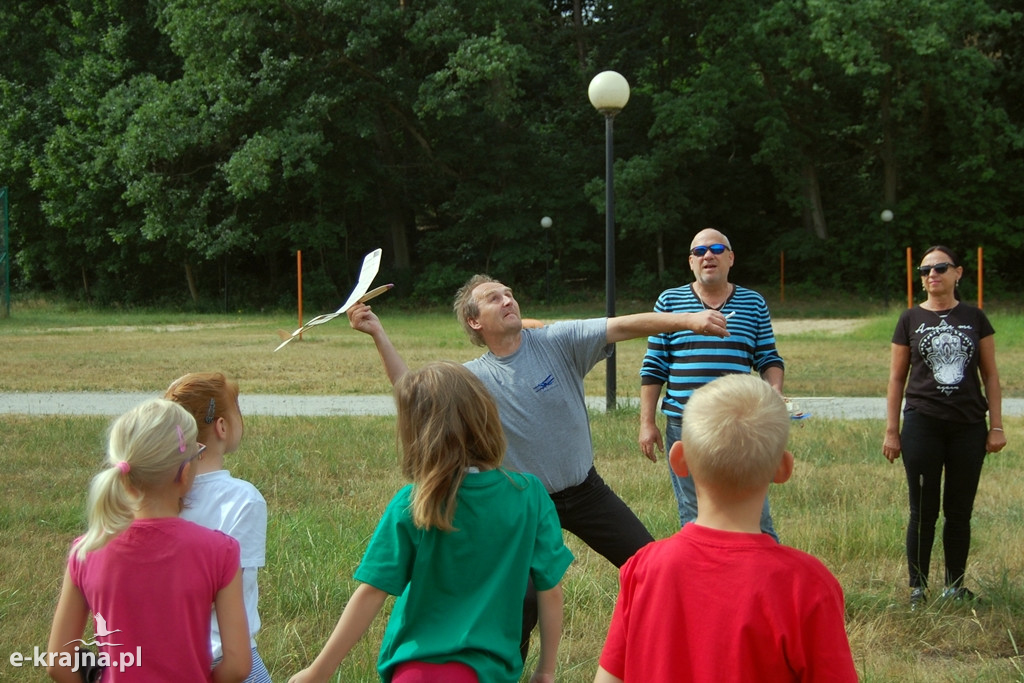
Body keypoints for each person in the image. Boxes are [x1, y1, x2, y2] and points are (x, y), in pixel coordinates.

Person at [347, 273, 728, 654]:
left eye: (509, 293)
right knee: (523, 602)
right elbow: (412, 394)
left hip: (586, 492)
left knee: (651, 565)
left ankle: (690, 647)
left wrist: (689, 320)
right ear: (474, 321)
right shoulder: (472, 377)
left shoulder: (555, 341)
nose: (508, 300)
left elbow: (623, 325)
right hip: (523, 505)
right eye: (494, 298)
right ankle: (508, 668)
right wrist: (378, 333)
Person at [289, 361, 574, 683]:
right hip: (488, 672)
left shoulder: (412, 502)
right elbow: (550, 590)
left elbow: (371, 593)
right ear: (485, 414)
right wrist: (546, 670)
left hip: (413, 671)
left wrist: (318, 671)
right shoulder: (529, 495)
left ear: (416, 432)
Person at [595, 374, 858, 683]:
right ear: (783, 468)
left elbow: (608, 678)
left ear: (678, 459)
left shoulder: (643, 568)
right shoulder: (808, 585)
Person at [46, 399, 251, 683]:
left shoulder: (86, 551)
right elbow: (239, 665)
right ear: (184, 472)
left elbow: (58, 662)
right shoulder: (220, 551)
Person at [639, 227, 785, 539]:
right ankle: (703, 581)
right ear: (691, 262)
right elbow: (654, 366)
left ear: (730, 258)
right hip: (685, 423)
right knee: (695, 514)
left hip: (740, 422)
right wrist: (646, 423)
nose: (709, 255)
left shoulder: (753, 303)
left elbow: (768, 357)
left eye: (717, 250)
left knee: (755, 515)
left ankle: (762, 581)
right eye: (700, 251)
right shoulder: (669, 301)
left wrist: (775, 394)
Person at [883, 245, 1005, 608]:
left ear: (958, 273)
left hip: (968, 425)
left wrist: (995, 426)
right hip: (923, 423)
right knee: (923, 509)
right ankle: (918, 588)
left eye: (940, 268)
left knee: (959, 510)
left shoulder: (975, 317)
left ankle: (955, 585)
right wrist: (892, 430)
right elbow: (895, 379)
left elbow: (992, 376)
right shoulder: (909, 319)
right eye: (924, 271)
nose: (931, 275)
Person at [165, 373, 271, 682]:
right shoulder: (244, 500)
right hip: (229, 656)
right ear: (222, 427)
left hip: (165, 654)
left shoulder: (154, 494)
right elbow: (232, 593)